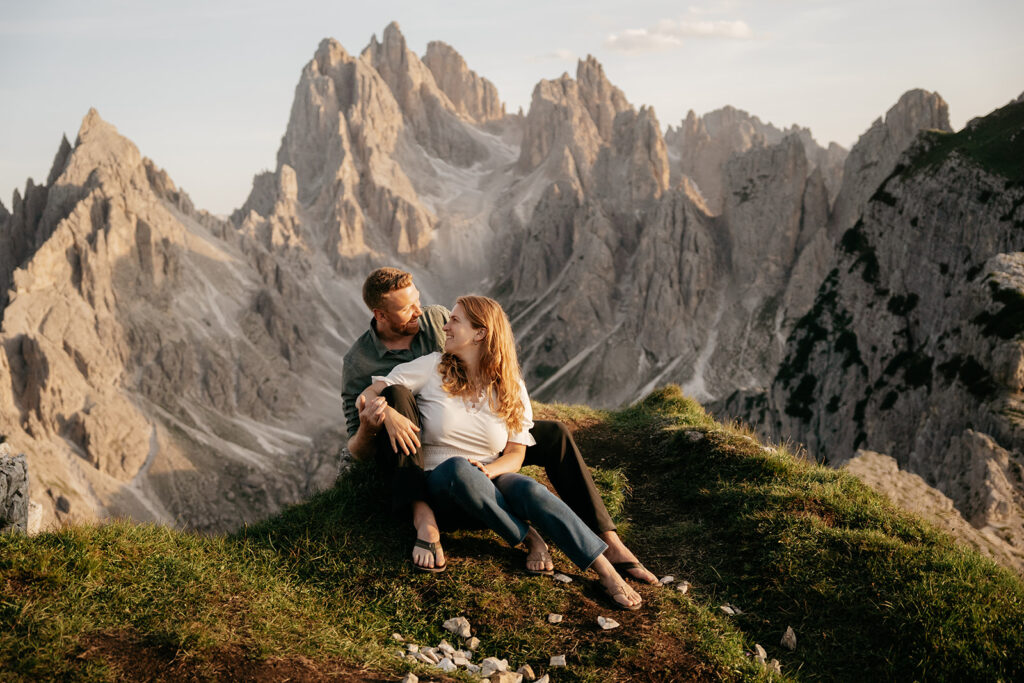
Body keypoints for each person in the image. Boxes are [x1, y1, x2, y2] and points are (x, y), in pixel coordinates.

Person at [342, 267, 656, 584]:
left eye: (418, 302)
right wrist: (384, 413)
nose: (422, 314)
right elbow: (359, 437)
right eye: (407, 309)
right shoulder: (365, 363)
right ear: (381, 315)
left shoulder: (438, 323)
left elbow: (513, 437)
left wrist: (491, 470)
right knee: (398, 396)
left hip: (469, 436)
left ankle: (608, 546)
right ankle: (425, 516)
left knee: (553, 438)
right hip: (415, 445)